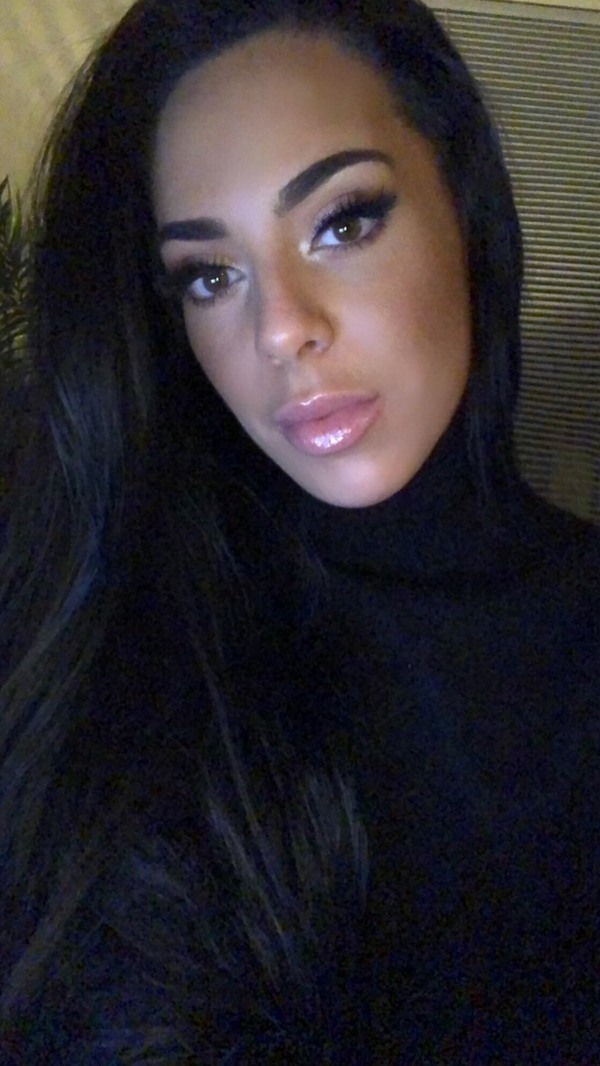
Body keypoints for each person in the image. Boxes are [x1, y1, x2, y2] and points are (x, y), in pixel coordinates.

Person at [0, 0, 598, 1061]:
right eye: (209, 275)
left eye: (343, 222)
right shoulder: (112, 621)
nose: (280, 328)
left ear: (462, 204)